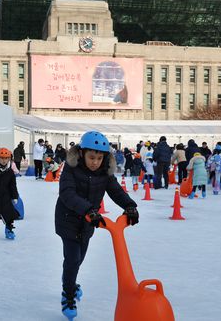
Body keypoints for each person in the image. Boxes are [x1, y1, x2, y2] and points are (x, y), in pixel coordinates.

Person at [54, 131, 138, 319]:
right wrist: (87, 211)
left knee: (79, 259)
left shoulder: (104, 172)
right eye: (92, 157)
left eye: (99, 158)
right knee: (73, 259)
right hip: (68, 219)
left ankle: (70, 282)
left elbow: (116, 191)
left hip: (88, 223)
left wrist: (130, 206)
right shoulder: (71, 167)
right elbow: (67, 193)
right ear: (82, 153)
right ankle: (67, 295)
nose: (95, 162)